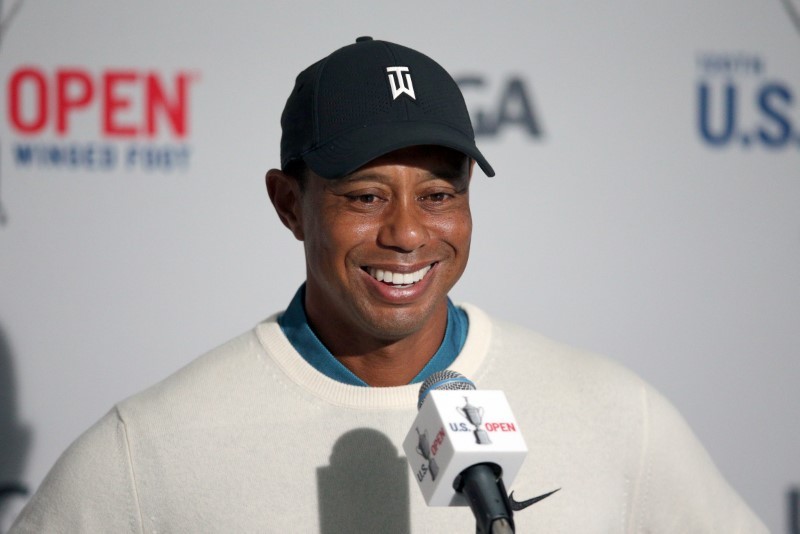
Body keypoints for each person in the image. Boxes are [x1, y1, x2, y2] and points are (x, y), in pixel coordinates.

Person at [11, 37, 766, 533]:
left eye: (439, 195)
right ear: (288, 203)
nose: (408, 234)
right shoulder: (144, 452)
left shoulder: (617, 417)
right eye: (365, 196)